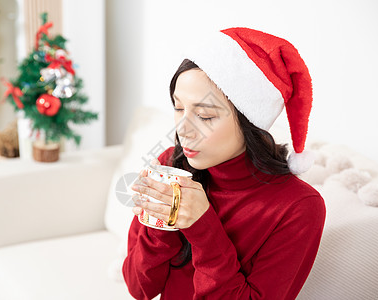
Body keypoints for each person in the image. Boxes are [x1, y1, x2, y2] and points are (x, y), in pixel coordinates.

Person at [123, 27, 326, 300]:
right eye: (179, 108)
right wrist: (161, 223)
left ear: (250, 122)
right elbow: (139, 288)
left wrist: (202, 226)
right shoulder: (170, 166)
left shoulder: (298, 207)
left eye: (205, 116)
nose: (183, 129)